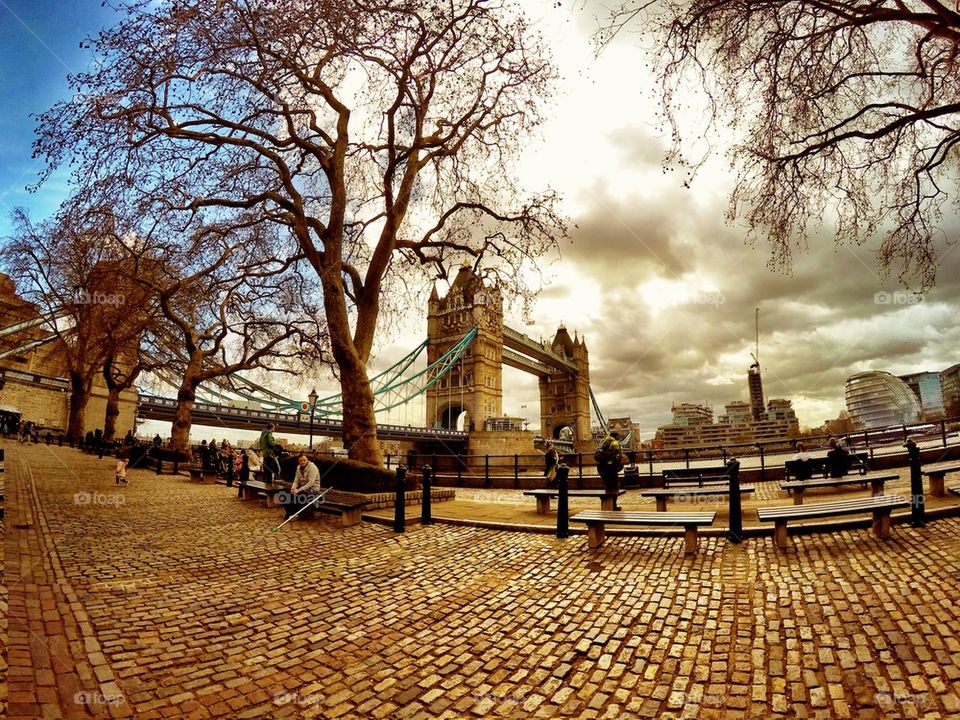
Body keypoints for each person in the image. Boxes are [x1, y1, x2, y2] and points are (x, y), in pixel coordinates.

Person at [282, 454, 322, 519]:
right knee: (286, 494)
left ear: (307, 460)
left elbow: (311, 482)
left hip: (313, 489)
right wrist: (293, 488)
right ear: (298, 461)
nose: (302, 462)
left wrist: (299, 490)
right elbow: (296, 480)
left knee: (302, 497)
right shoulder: (298, 468)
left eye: (304, 460)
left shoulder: (312, 467)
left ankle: (299, 515)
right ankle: (290, 513)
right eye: (300, 460)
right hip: (302, 489)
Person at [595, 431, 625, 510]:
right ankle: (613, 506)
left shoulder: (602, 442)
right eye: (618, 437)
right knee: (614, 487)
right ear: (616, 437)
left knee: (608, 487)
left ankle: (609, 506)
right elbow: (615, 456)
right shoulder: (614, 443)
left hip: (601, 468)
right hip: (610, 469)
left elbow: (597, 456)